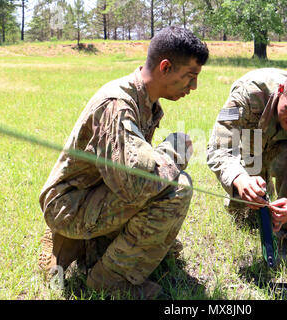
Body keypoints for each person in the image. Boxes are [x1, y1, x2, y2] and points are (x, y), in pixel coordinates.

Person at [38, 26, 209, 298]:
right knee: (179, 187)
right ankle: (110, 279)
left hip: (91, 194)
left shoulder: (145, 100)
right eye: (190, 76)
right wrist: (175, 154)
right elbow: (135, 186)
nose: (194, 86)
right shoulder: (118, 104)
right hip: (69, 206)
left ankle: (82, 248)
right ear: (165, 67)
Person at [207, 65, 287, 266]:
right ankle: (247, 197)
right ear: (281, 90)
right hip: (250, 148)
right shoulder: (248, 94)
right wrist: (239, 179)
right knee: (244, 214)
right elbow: (219, 148)